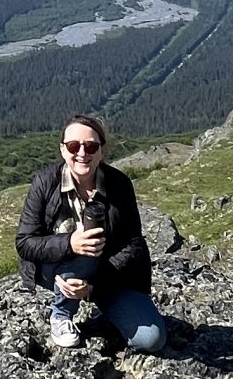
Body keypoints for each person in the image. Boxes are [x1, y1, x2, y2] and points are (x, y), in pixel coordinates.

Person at [12, 113, 166, 352]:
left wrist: (93, 287)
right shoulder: (45, 182)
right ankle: (61, 315)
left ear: (102, 151)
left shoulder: (119, 185)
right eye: (74, 146)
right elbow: (25, 243)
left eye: (91, 146)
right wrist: (69, 243)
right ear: (63, 150)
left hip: (107, 274)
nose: (82, 153)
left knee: (151, 339)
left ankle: (100, 304)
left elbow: (134, 245)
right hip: (53, 268)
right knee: (87, 245)